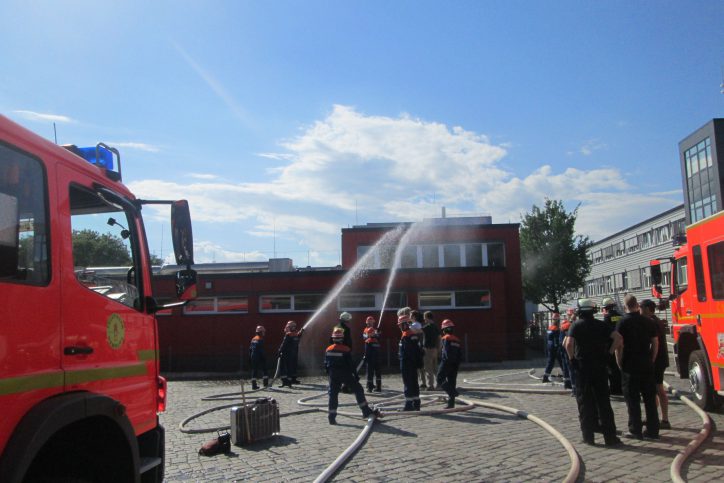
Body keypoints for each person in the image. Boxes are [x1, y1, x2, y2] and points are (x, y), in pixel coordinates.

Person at [564, 298, 623, 446]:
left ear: (579, 311)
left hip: (582, 368)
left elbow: (568, 343)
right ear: (594, 311)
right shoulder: (601, 325)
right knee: (604, 402)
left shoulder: (575, 326)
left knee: (585, 402)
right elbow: (618, 338)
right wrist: (609, 354)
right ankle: (610, 437)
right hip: (600, 367)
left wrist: (572, 360)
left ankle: (588, 437)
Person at [615, 294, 660, 439]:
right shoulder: (648, 322)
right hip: (646, 363)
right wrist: (652, 358)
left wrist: (619, 361)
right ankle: (653, 430)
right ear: (637, 305)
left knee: (632, 399)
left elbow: (618, 345)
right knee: (650, 398)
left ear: (625, 305)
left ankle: (635, 429)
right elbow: (655, 342)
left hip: (630, 365)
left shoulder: (622, 323)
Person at [325, 327, 381, 425]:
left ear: (333, 338)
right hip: (345, 374)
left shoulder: (328, 349)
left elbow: (325, 364)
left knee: (333, 394)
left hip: (333, 374)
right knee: (358, 389)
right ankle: (366, 411)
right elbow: (351, 365)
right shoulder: (346, 349)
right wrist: (355, 376)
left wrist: (329, 375)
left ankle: (331, 417)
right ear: (342, 339)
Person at [639, 299, 671, 430]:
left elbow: (654, 343)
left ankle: (663, 419)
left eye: (640, 307)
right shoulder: (656, 320)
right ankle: (656, 418)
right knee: (656, 389)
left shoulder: (651, 322)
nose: (639, 310)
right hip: (660, 359)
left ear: (647, 309)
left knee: (657, 389)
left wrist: (651, 360)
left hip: (656, 360)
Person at [398, 313, 424, 411]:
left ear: (404, 324)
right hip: (413, 364)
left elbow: (408, 352)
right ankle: (416, 403)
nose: (400, 327)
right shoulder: (413, 335)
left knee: (408, 383)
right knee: (414, 383)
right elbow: (418, 350)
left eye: (400, 325)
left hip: (407, 363)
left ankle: (409, 405)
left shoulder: (406, 335)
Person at [437, 319, 462, 408]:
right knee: (452, 382)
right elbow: (460, 354)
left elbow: (446, 351)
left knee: (440, 378)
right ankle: (451, 404)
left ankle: (453, 392)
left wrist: (445, 361)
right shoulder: (457, 340)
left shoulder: (445, 338)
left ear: (444, 329)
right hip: (455, 363)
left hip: (447, 362)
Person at [602, 297, 623, 395]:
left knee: (612, 368)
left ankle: (615, 389)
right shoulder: (620, 316)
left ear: (605, 308)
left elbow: (605, 333)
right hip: (622, 345)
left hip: (611, 345)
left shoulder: (607, 318)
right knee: (620, 367)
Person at [542, 313, 570, 387]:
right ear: (557, 320)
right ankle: (567, 378)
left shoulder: (550, 328)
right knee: (562, 362)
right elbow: (556, 340)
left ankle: (545, 376)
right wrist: (558, 347)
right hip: (555, 348)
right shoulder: (556, 329)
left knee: (550, 362)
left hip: (550, 347)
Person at [278, 320, 304, 388]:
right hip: (291, 354)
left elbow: (284, 344)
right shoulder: (295, 334)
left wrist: (279, 351)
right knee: (290, 368)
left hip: (286, 353)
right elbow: (297, 338)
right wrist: (300, 333)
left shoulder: (289, 334)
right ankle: (289, 382)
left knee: (283, 367)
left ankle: (285, 381)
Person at [421, 311, 441, 390]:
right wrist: (439, 348)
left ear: (427, 317)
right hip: (435, 349)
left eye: (424, 317)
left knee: (428, 368)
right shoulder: (435, 326)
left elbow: (418, 331)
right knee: (435, 368)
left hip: (428, 350)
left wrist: (409, 325)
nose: (424, 319)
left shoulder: (428, 326)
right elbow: (439, 338)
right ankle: (440, 384)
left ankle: (430, 386)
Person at [362, 316, 382, 392]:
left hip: (372, 354)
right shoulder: (365, 330)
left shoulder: (375, 330)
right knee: (371, 371)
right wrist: (374, 334)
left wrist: (378, 333)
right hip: (371, 352)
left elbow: (378, 337)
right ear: (367, 322)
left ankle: (373, 386)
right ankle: (370, 384)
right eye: (369, 322)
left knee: (373, 371)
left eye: (372, 322)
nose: (371, 323)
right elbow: (365, 337)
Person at [249, 325, 268, 390]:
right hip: (259, 356)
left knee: (254, 370)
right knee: (265, 370)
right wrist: (264, 357)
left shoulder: (253, 338)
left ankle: (254, 385)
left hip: (253, 356)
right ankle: (266, 384)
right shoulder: (260, 339)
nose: (264, 333)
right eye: (263, 331)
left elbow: (250, 349)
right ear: (260, 332)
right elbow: (261, 350)